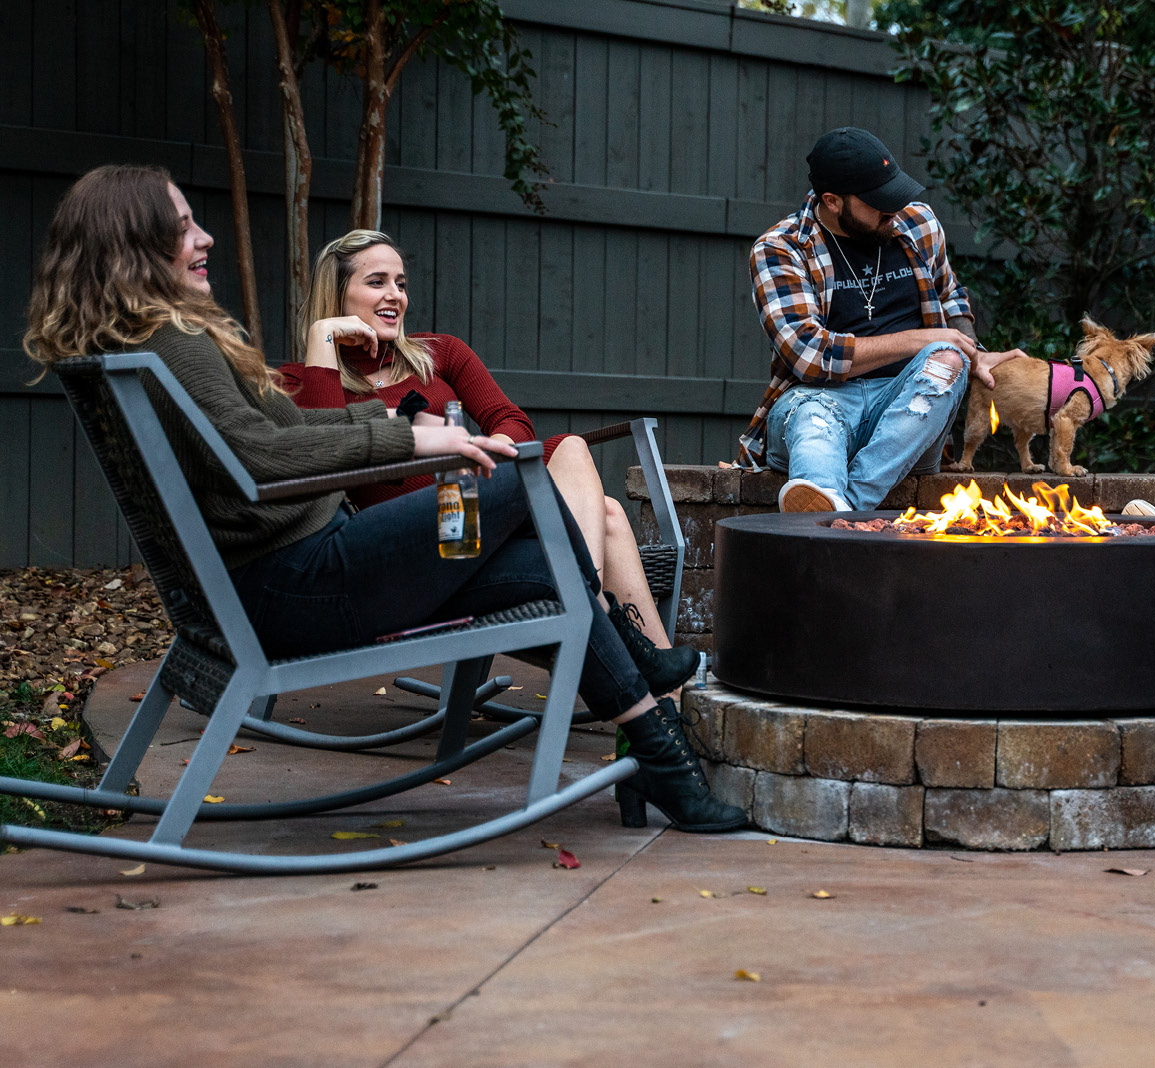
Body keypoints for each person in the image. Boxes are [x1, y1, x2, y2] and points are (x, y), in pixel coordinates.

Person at [21, 165, 744, 832]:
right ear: (134, 243)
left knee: (535, 567)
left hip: (300, 574)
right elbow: (263, 454)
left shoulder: (146, 339)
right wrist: (418, 443)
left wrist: (402, 425)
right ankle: (644, 687)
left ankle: (658, 757)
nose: (203, 236)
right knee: (520, 480)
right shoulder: (172, 340)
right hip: (303, 582)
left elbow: (283, 428)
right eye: (183, 225)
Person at [280, 229, 676, 666]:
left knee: (575, 453)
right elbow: (329, 457)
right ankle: (628, 652)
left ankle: (618, 647)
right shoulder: (303, 382)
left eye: (401, 283)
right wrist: (325, 338)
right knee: (609, 516)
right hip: (415, 545)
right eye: (377, 282)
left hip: (480, 511)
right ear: (336, 297)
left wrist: (484, 457)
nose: (395, 295)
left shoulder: (439, 353)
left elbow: (511, 421)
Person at [738, 126, 1027, 511]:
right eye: (878, 203)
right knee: (813, 420)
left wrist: (975, 351)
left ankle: (837, 513)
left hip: (906, 418)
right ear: (832, 201)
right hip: (819, 400)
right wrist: (917, 339)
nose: (893, 211)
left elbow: (951, 298)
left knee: (948, 360)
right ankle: (835, 509)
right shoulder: (782, 249)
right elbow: (807, 354)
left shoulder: (917, 223)